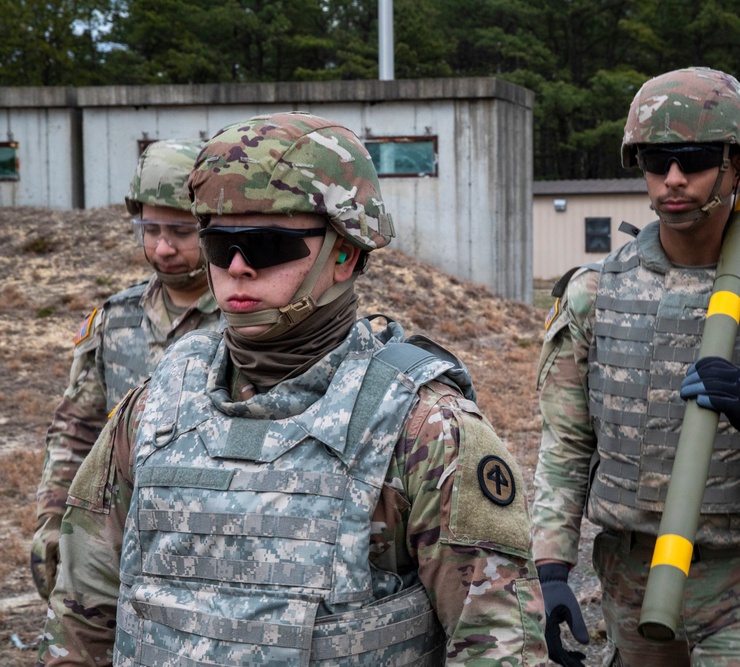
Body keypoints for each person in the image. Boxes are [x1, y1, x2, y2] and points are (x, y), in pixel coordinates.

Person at [36, 111, 547, 666]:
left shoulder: (425, 428)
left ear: (345, 253)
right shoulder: (156, 403)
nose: (236, 266)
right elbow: (82, 615)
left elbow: (498, 646)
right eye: (217, 242)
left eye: (265, 245)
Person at [531, 67, 740, 667]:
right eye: (656, 161)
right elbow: (566, 444)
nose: (673, 179)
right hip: (632, 580)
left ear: (738, 164)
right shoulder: (595, 293)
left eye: (693, 158)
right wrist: (552, 568)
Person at [30, 138, 224, 601]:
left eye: (180, 230)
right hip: (120, 543)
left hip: (215, 548)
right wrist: (53, 522)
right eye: (149, 227)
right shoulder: (116, 318)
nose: (162, 246)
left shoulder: (245, 321)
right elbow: (77, 429)